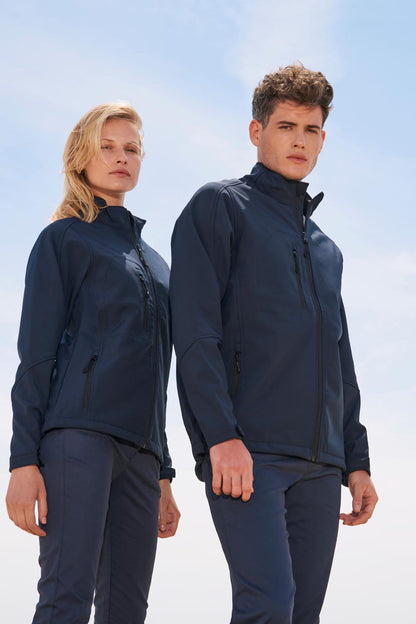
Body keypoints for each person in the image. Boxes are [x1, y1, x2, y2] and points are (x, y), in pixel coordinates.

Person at [169, 65, 378, 623]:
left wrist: (355, 462)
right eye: (286, 127)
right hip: (249, 451)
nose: (299, 141)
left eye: (311, 130)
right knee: (267, 604)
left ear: (323, 139)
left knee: (302, 613)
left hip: (321, 463)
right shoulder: (219, 207)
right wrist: (220, 436)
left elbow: (339, 361)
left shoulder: (326, 249)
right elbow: (194, 334)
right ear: (256, 131)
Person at [5, 102, 180, 624]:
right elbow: (35, 356)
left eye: (131, 149)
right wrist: (23, 461)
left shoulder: (158, 264)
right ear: (81, 157)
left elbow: (157, 373)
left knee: (127, 610)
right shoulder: (63, 239)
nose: (121, 157)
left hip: (141, 454)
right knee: (67, 598)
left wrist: (164, 474)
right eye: (107, 147)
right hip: (78, 439)